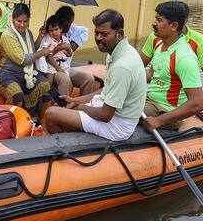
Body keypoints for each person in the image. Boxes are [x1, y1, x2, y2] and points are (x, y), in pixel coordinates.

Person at [44, 9, 146, 141]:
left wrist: (79, 106)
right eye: (96, 33)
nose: (98, 38)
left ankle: (67, 151)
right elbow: (107, 89)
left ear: (119, 34)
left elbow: (105, 115)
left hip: (117, 125)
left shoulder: (122, 66)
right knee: (67, 110)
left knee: (51, 114)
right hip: (110, 113)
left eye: (104, 34)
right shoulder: (118, 51)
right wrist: (76, 100)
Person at [139, 2, 203, 117]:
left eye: (159, 19)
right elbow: (144, 68)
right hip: (154, 97)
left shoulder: (197, 44)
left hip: (176, 104)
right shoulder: (157, 38)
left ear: (182, 22)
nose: (154, 23)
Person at [0, 3, 52, 117]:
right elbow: (23, 59)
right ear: (13, 19)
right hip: (6, 74)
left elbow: (31, 51)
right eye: (19, 21)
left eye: (25, 21)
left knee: (45, 85)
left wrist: (40, 36)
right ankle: (13, 125)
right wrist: (42, 53)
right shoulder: (7, 35)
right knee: (16, 95)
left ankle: (43, 122)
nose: (22, 25)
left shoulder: (28, 32)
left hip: (26, 73)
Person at [55, 5, 98, 95]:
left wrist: (72, 45)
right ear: (60, 22)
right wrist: (61, 46)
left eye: (71, 23)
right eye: (67, 23)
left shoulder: (71, 30)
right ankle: (64, 107)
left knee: (89, 79)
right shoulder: (52, 31)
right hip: (54, 69)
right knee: (66, 81)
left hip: (67, 68)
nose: (70, 26)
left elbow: (85, 30)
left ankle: (82, 104)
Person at [35, 15, 72, 96]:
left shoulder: (65, 40)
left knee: (69, 80)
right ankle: (46, 96)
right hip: (52, 64)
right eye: (51, 30)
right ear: (48, 31)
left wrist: (68, 48)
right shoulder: (49, 40)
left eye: (56, 29)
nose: (54, 32)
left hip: (64, 64)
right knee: (49, 80)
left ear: (61, 29)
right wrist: (58, 68)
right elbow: (48, 57)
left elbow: (70, 54)